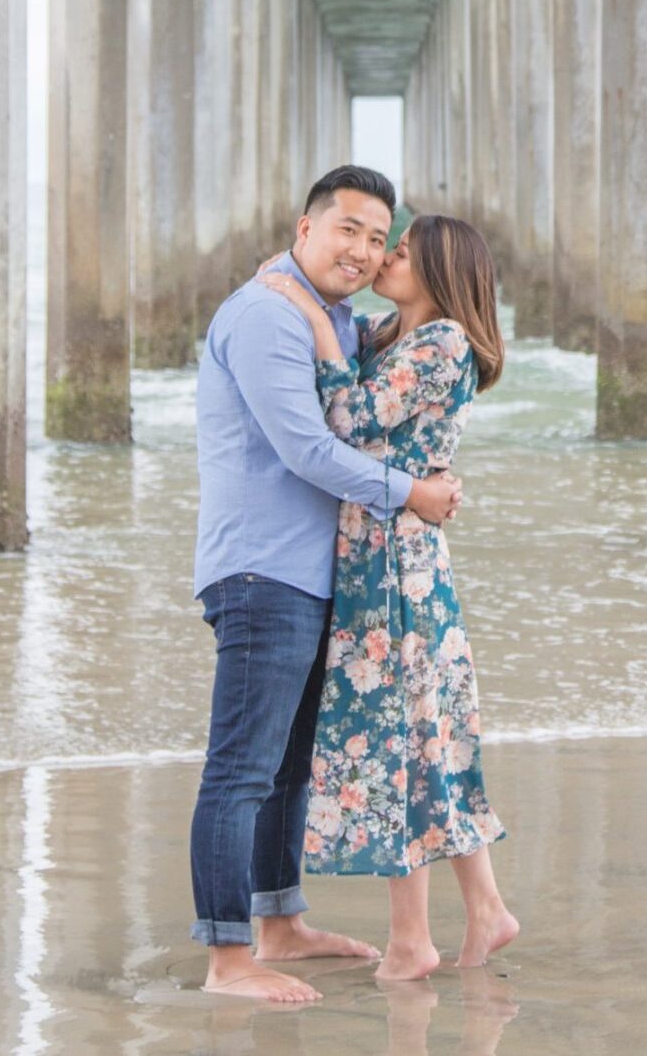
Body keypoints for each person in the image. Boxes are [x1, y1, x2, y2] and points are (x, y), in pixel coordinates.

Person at [189, 166, 464, 1005]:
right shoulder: (270, 314)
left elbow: (397, 397)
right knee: (240, 767)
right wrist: (411, 493)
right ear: (303, 228)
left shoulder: (342, 321)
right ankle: (228, 955)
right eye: (348, 228)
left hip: (318, 575)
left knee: (290, 766)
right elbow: (307, 448)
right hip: (260, 570)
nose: (364, 249)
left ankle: (279, 922)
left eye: (379, 237)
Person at [257, 212, 517, 983]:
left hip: (395, 561)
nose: (381, 257)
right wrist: (311, 297)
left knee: (402, 742)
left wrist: (312, 321)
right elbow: (338, 329)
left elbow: (345, 420)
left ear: (439, 269)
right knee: (421, 739)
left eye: (398, 250)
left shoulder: (440, 345)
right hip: (385, 552)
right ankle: (482, 909)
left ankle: (413, 938)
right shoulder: (391, 334)